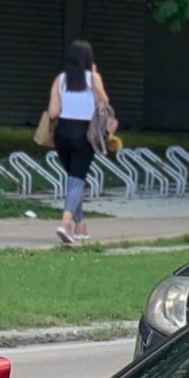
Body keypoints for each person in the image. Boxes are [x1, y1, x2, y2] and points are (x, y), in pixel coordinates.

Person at [39, 40, 116, 245]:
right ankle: (64, 224)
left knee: (74, 180)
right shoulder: (93, 78)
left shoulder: (60, 80)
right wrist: (95, 75)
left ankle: (79, 226)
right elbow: (104, 103)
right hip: (84, 133)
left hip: (62, 133)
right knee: (77, 179)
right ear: (88, 59)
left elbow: (54, 112)